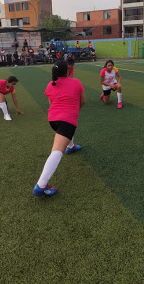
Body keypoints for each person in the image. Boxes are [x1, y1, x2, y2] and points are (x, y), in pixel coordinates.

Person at [32, 60, 85, 197]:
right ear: (67, 71)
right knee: (57, 151)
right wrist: (72, 111)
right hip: (66, 120)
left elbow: (52, 103)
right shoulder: (76, 82)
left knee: (66, 134)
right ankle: (41, 186)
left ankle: (71, 146)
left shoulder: (50, 85)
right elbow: (82, 101)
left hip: (53, 120)